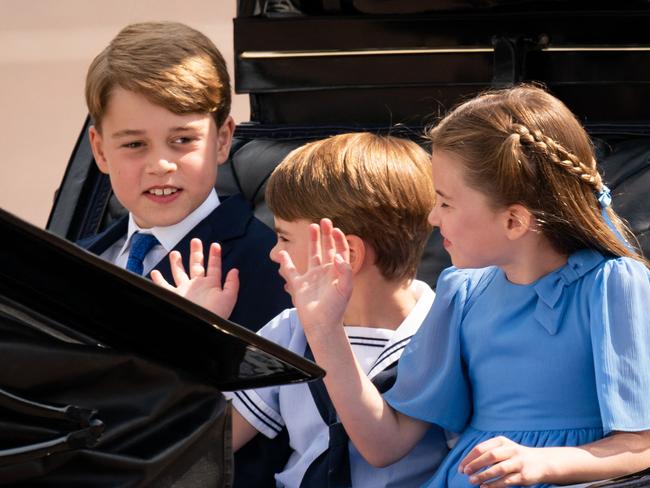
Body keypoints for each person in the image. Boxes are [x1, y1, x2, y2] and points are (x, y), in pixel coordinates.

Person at [276, 85, 650, 487]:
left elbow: (641, 444)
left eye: (446, 202)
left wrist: (545, 463)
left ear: (514, 221)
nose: (433, 218)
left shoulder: (614, 284)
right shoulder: (462, 293)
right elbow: (384, 445)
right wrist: (325, 330)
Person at [155, 132, 450, 487]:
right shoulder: (288, 330)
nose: (273, 253)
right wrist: (197, 335)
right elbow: (209, 440)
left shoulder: (441, 332)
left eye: (285, 238)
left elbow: (382, 449)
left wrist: (324, 330)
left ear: (347, 255)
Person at [78, 21, 291, 331]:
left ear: (221, 140)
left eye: (182, 140)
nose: (160, 165)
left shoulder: (273, 269)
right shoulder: (74, 260)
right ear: (99, 150)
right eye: (134, 144)